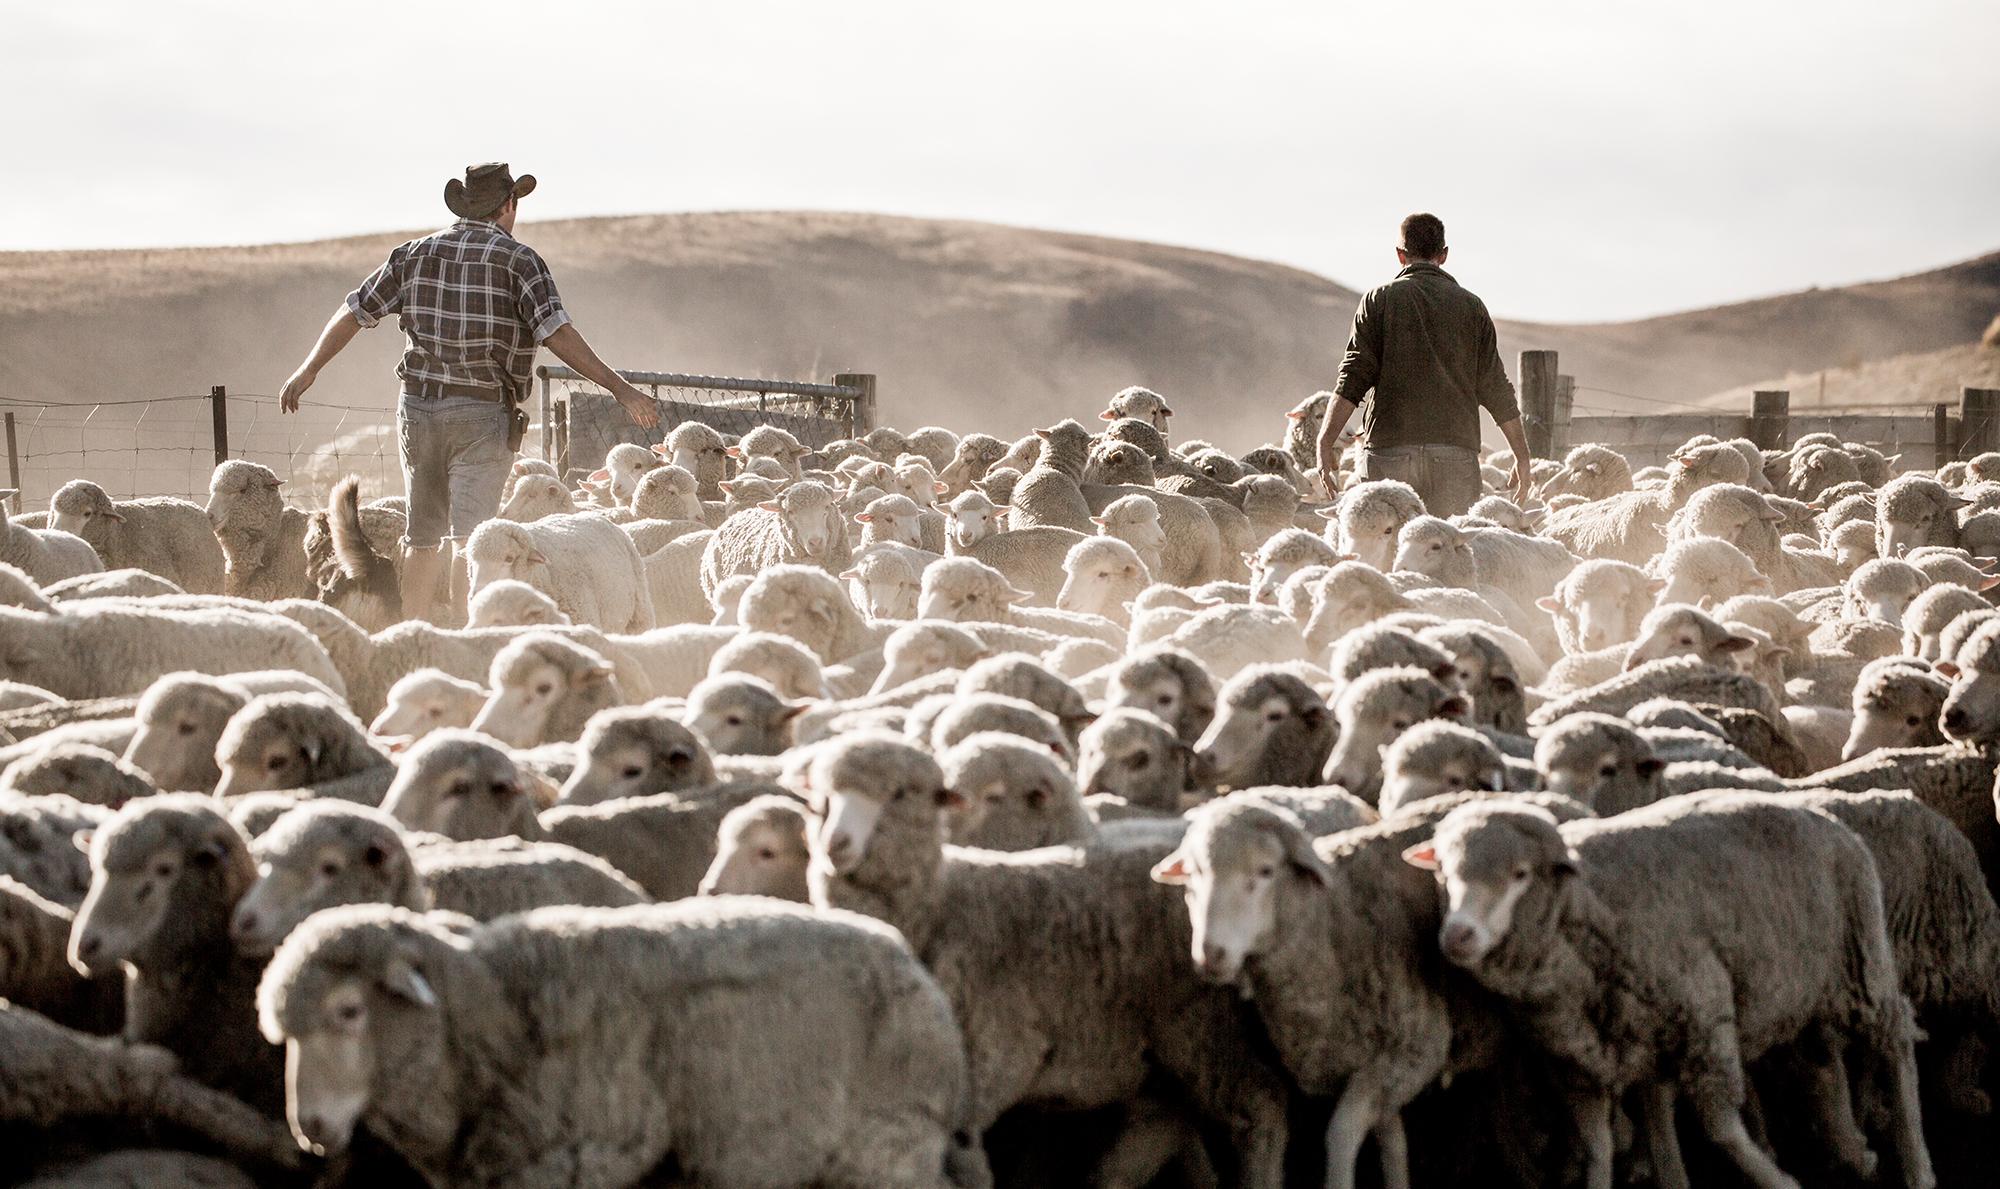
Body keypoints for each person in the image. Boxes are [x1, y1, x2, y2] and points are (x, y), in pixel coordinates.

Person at [276, 162, 659, 623]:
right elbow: (556, 332)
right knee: (470, 539)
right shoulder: (520, 261)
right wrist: (620, 389)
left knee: (422, 536)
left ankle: (415, 634)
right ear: (508, 204)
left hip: (418, 410)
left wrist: (309, 369)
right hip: (482, 413)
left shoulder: (413, 254)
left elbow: (354, 312)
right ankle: (466, 636)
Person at [1315, 212, 1532, 516]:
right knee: (1448, 541)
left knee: (1389, 541)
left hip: (1390, 451)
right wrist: (1521, 456)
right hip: (1454, 454)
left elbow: (1353, 376)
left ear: (1400, 254)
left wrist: (1325, 441)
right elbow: (1495, 387)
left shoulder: (1378, 300)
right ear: (1443, 255)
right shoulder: (1472, 307)